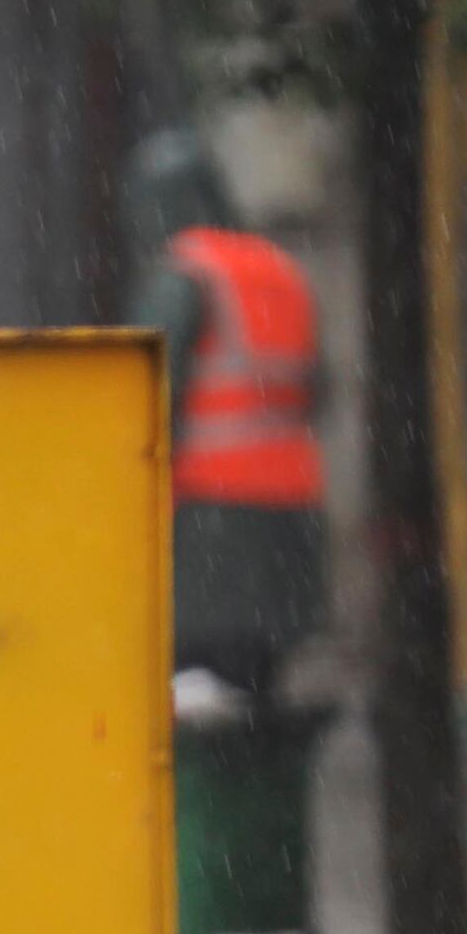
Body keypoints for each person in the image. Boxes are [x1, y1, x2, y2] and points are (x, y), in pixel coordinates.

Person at [127, 130, 331, 710]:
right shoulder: (281, 271)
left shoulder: (186, 276)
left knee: (198, 697)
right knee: (257, 694)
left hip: (211, 526)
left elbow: (145, 396)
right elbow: (317, 389)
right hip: (290, 516)